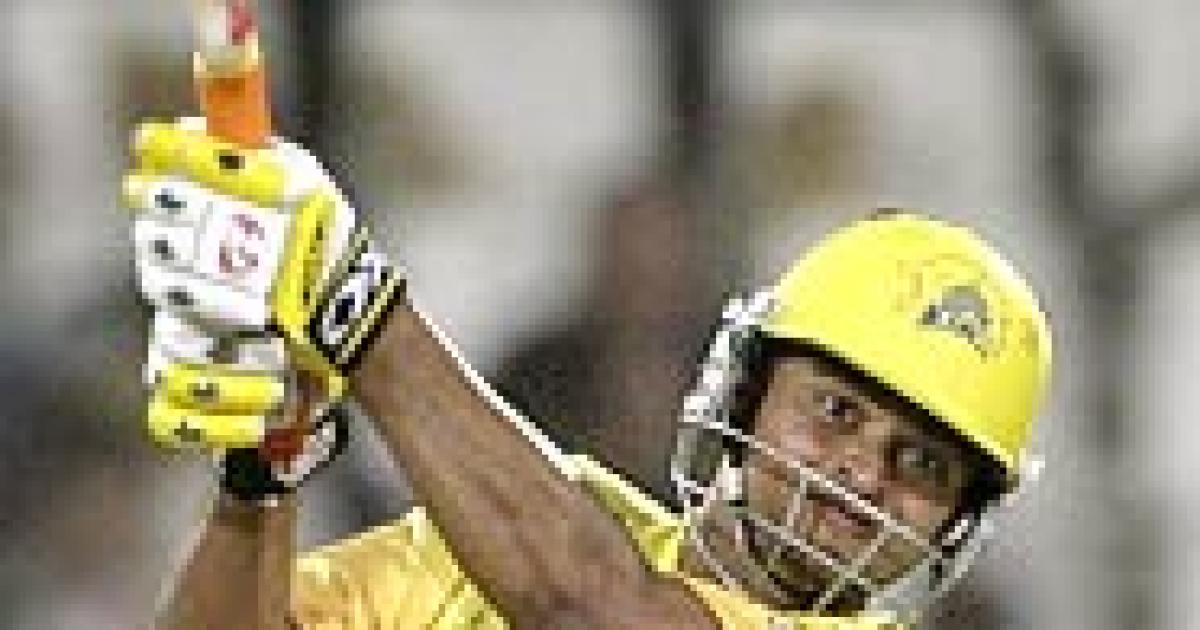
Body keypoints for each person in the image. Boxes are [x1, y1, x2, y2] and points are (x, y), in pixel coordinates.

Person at [129, 117, 1052, 629]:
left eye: (921, 465)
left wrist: (351, 304)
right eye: (837, 412)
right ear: (748, 391)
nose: (861, 473)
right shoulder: (511, 527)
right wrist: (263, 473)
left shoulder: (545, 551)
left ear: (958, 525)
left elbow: (589, 610)